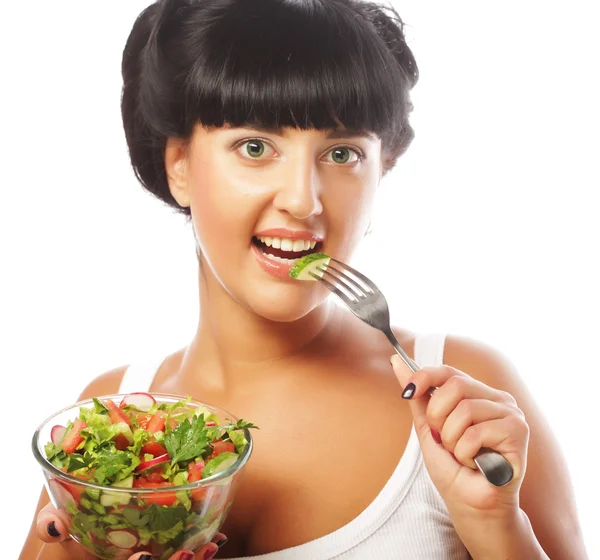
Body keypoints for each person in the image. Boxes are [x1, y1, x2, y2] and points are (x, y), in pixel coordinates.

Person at [20, 0, 588, 559]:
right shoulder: (108, 424)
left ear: (382, 168)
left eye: (341, 153)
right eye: (254, 146)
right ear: (180, 167)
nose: (302, 200)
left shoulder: (468, 395)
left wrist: (494, 525)